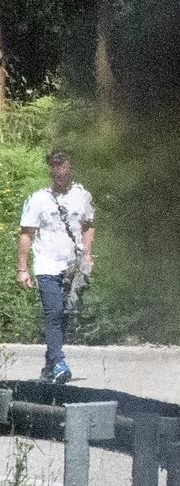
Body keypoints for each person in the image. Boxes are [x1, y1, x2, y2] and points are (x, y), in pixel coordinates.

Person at [16, 149, 94, 384]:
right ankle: (59, 362)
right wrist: (23, 268)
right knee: (54, 312)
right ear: (51, 171)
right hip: (46, 264)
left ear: (71, 169)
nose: (59, 173)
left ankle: (50, 366)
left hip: (73, 266)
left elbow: (89, 225)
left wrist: (87, 255)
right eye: (55, 169)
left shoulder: (83, 196)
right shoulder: (39, 199)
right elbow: (26, 234)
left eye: (64, 168)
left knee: (66, 315)